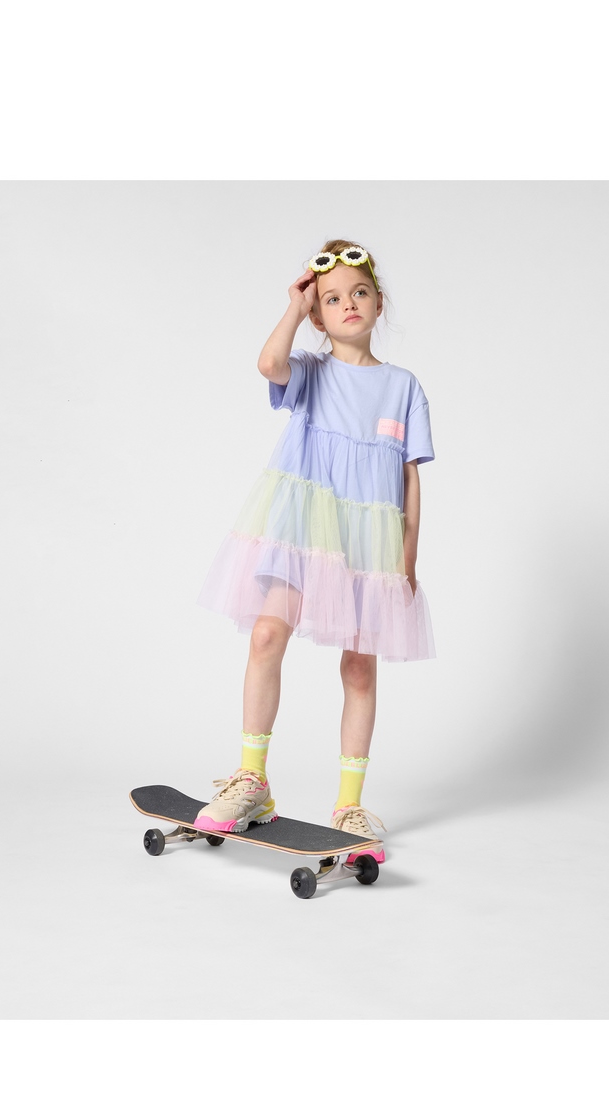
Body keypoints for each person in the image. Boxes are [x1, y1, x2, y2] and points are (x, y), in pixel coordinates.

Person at [194, 241, 436, 862]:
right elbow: (268, 363)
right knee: (266, 636)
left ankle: (348, 805)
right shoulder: (310, 372)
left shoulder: (403, 387)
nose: (347, 304)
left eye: (359, 292)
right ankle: (252, 780)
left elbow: (409, 478)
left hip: (368, 544)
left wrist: (407, 560)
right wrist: (295, 307)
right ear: (318, 316)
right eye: (332, 299)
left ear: (378, 303)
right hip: (304, 532)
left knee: (359, 668)